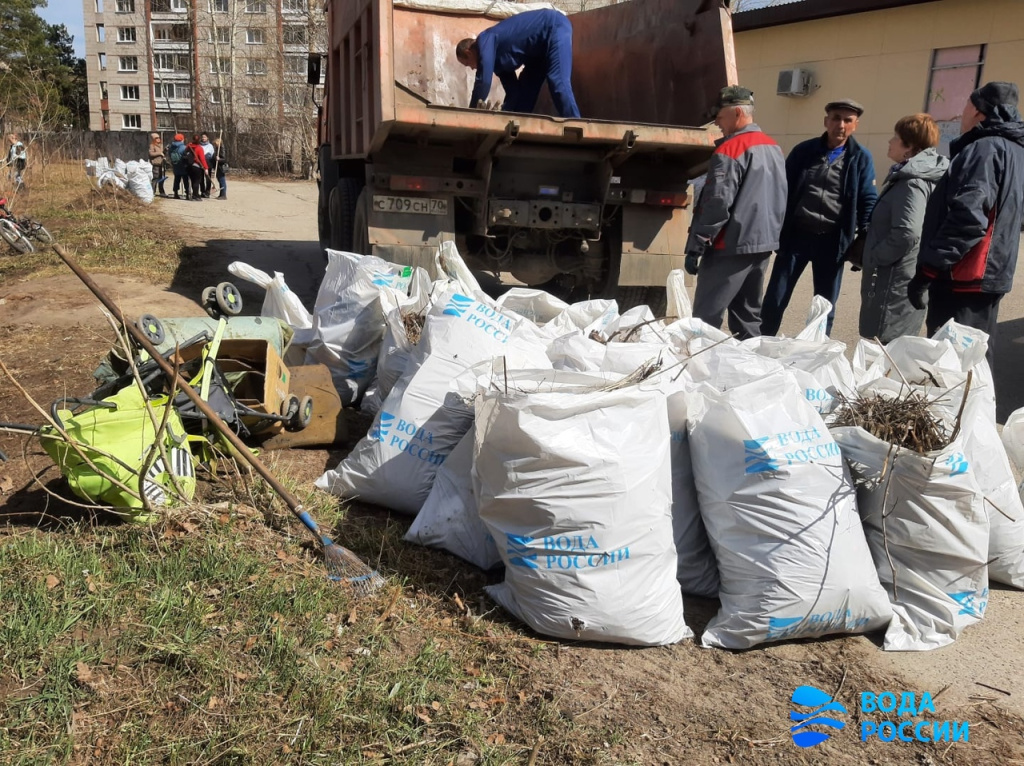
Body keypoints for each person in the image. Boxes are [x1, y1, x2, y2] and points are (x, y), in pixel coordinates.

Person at [911, 81, 1024, 369]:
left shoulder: (984, 150)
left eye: (964, 106)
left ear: (977, 110)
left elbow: (969, 218)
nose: (960, 114)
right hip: (990, 275)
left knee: (953, 365)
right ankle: (974, 412)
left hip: (963, 275)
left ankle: (957, 414)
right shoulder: (1016, 152)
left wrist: (928, 268)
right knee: (975, 360)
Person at [760, 99, 878, 336]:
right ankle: (761, 344)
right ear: (826, 121)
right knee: (776, 297)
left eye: (848, 120)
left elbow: (868, 198)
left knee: (825, 305)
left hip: (833, 242)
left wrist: (865, 237)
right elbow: (781, 190)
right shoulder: (804, 151)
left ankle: (816, 350)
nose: (841, 125)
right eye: (836, 118)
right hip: (796, 237)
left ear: (856, 125)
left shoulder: (861, 158)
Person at [684, 86, 787, 340]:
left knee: (705, 320)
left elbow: (717, 202)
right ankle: (748, 368)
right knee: (748, 317)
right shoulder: (773, 148)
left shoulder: (730, 150)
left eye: (720, 116)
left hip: (729, 245)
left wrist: (697, 243)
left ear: (738, 112)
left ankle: (696, 370)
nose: (717, 122)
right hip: (761, 245)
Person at [858, 115, 948, 343]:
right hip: (898, 275)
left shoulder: (911, 183)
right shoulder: (913, 177)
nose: (889, 141)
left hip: (894, 280)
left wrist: (876, 256)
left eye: (896, 138)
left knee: (888, 344)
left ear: (909, 148)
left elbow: (907, 232)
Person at [455, 8, 580, 118]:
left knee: (558, 81)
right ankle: (517, 138)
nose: (471, 68)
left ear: (469, 52)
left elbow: (483, 82)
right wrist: (504, 113)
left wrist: (470, 114)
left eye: (467, 64)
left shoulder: (485, 39)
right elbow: (513, 92)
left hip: (553, 26)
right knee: (523, 96)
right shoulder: (497, 64)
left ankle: (577, 126)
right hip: (536, 55)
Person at [185, 134, 209, 202]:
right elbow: (202, 159)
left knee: (193, 181)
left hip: (189, 166)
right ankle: (195, 195)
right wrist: (206, 168)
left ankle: (194, 194)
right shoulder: (199, 148)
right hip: (196, 166)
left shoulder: (188, 146)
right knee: (197, 181)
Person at [168, 133, 189, 199]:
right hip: (183, 165)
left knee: (177, 179)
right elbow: (187, 156)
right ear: (182, 139)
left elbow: (169, 155)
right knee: (185, 180)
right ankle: (188, 193)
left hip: (175, 165)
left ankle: (176, 193)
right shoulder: (184, 147)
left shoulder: (171, 147)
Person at [149, 133, 168, 197]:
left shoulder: (160, 145)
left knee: (161, 178)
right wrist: (160, 153)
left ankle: (161, 191)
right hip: (156, 164)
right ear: (153, 139)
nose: (158, 139)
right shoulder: (152, 145)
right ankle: (152, 192)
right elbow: (151, 154)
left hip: (161, 164)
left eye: (159, 137)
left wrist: (165, 151)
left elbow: (162, 154)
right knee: (155, 178)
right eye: (156, 138)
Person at [199, 133, 215, 197]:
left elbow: (212, 154)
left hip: (208, 163)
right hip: (200, 163)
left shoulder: (210, 146)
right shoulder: (199, 145)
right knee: (201, 178)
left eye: (205, 137)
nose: (203, 138)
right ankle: (202, 191)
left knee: (208, 178)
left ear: (207, 138)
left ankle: (207, 191)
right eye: (202, 137)